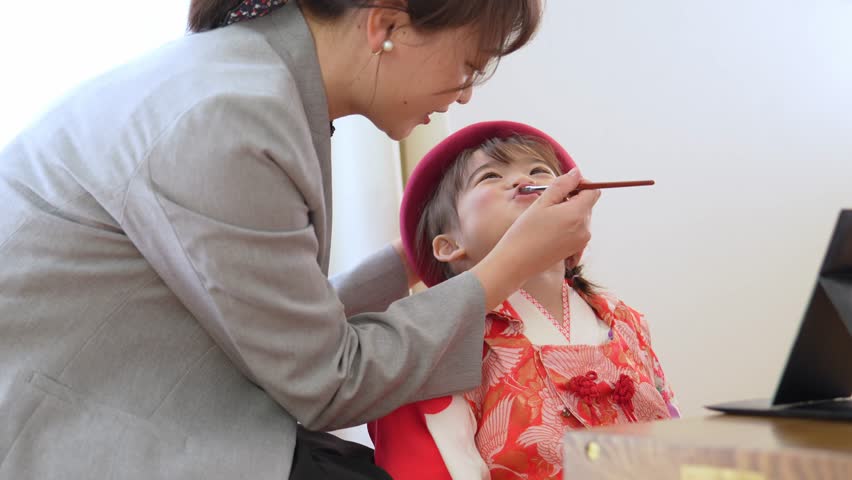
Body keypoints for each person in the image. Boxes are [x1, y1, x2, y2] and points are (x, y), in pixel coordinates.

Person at [0, 1, 603, 479]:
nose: (466, 94)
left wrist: (413, 259)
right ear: (386, 24)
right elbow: (328, 379)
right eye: (468, 66)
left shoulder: (245, 84)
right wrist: (503, 266)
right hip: (86, 436)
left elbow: (282, 326)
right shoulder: (231, 117)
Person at [368, 121, 679, 480]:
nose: (521, 181)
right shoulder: (444, 343)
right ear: (449, 246)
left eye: (538, 171)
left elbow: (672, 432)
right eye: (489, 176)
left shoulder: (626, 320)